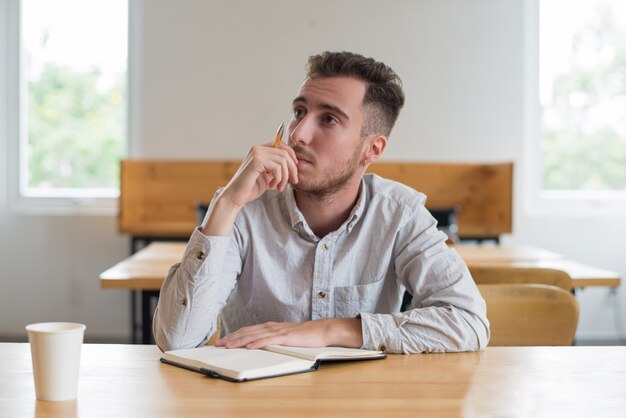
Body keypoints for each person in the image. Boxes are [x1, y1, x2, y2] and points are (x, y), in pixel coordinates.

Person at [153, 51, 489, 354]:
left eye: (328, 119)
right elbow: (176, 340)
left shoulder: (398, 214)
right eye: (299, 112)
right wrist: (226, 203)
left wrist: (330, 330)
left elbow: (468, 322)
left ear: (372, 149)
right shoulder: (244, 208)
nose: (298, 134)